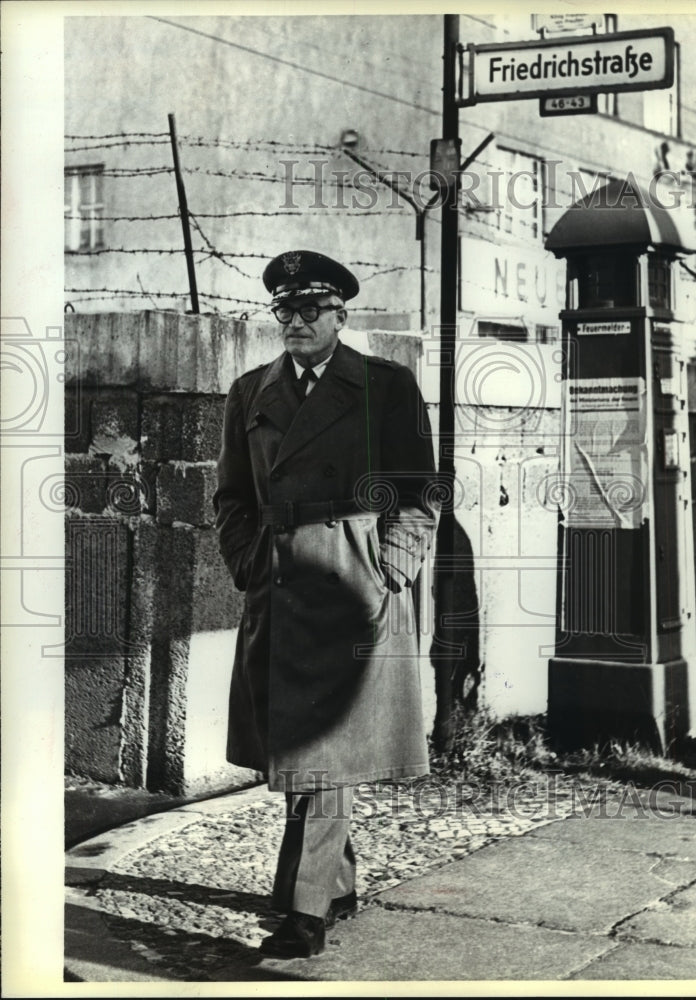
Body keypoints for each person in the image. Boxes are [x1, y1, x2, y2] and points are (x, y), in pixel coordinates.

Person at [213, 249, 438, 959]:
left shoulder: (385, 386)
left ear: (341, 315)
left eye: (311, 309)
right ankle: (334, 885)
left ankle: (302, 911)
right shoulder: (250, 392)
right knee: (304, 748)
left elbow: (420, 492)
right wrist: (249, 562)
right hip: (279, 584)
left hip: (354, 580)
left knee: (322, 749)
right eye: (285, 310)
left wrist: (389, 567)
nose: (296, 322)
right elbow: (231, 496)